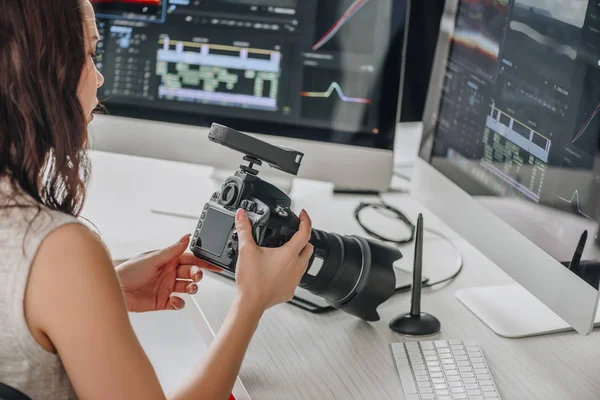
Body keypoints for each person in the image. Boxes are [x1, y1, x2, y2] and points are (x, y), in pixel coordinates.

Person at [0, 1, 314, 399]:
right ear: (40, 72)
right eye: (89, 54)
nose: (98, 78)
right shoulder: (58, 250)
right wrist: (252, 302)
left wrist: (101, 289)